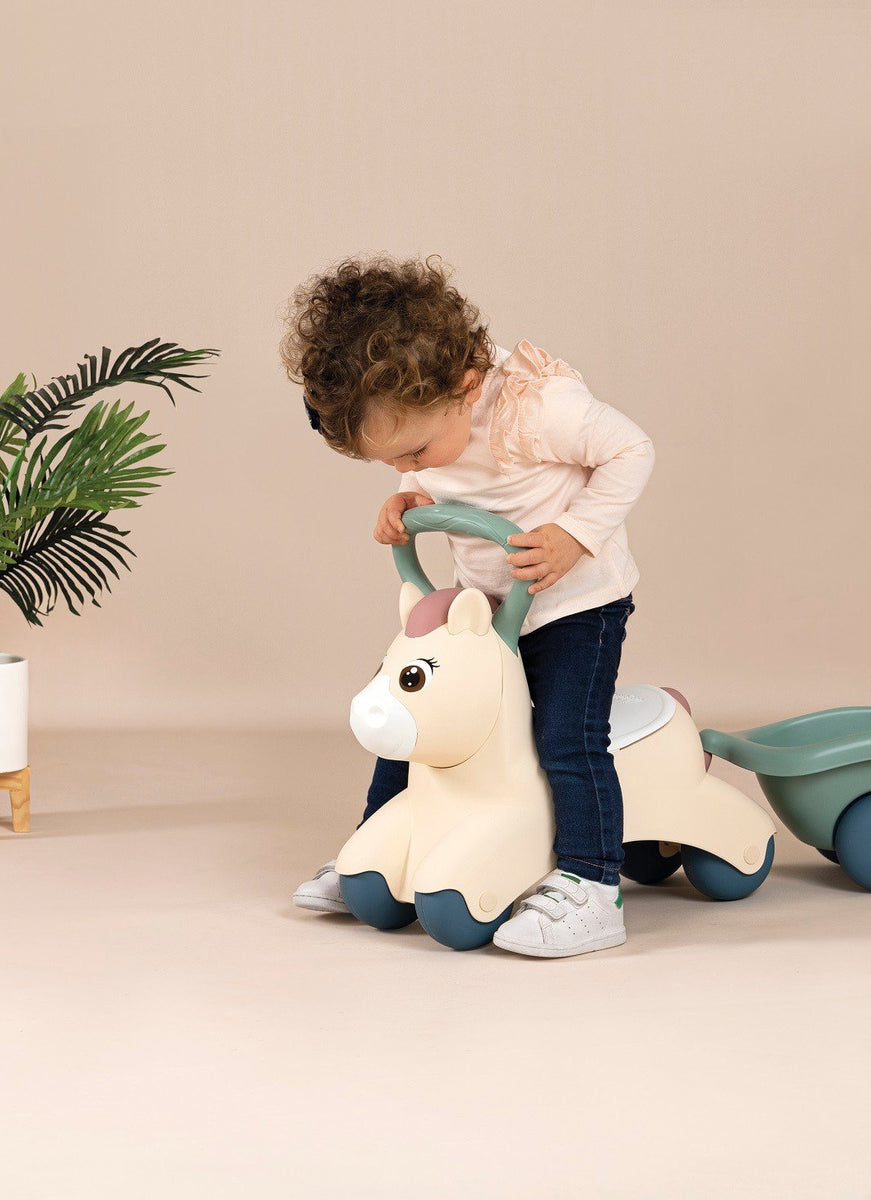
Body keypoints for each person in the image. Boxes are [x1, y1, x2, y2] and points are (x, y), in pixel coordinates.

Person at [281, 255, 655, 957]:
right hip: (482, 612)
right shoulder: (429, 419)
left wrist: (575, 535)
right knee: (416, 719)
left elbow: (632, 450)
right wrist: (412, 500)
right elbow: (450, 477)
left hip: (572, 605)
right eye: (390, 463)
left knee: (566, 738)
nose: (406, 466)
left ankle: (592, 883)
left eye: (413, 452)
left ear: (467, 387)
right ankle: (381, 848)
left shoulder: (537, 409)